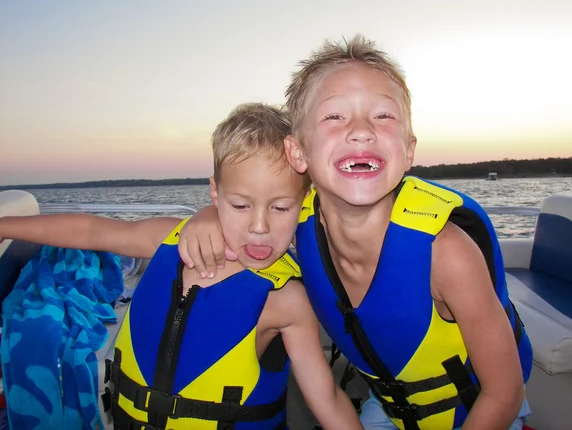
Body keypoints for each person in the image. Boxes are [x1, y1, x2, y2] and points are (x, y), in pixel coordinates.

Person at [177, 37, 534, 430]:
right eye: (335, 117)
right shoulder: (295, 225)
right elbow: (249, 208)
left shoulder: (446, 255)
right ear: (298, 153)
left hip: (480, 412)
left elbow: (504, 392)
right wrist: (208, 215)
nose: (362, 131)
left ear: (408, 149)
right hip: (389, 411)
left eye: (383, 116)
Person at [0, 103, 363, 430]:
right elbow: (92, 229)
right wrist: (4, 226)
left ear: (303, 203)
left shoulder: (288, 299)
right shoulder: (169, 241)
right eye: (240, 205)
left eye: (280, 208)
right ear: (216, 194)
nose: (259, 225)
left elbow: (327, 399)